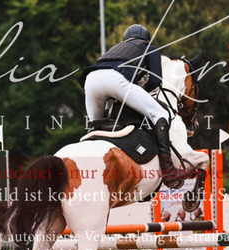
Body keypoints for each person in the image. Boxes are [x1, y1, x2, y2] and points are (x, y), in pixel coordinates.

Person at [79, 24, 186, 189]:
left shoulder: (115, 48)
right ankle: (169, 170)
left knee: (95, 128)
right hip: (114, 80)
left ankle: (87, 170)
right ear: (147, 39)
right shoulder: (148, 47)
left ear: (125, 40)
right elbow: (156, 80)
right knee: (160, 114)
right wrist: (142, 90)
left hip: (90, 80)